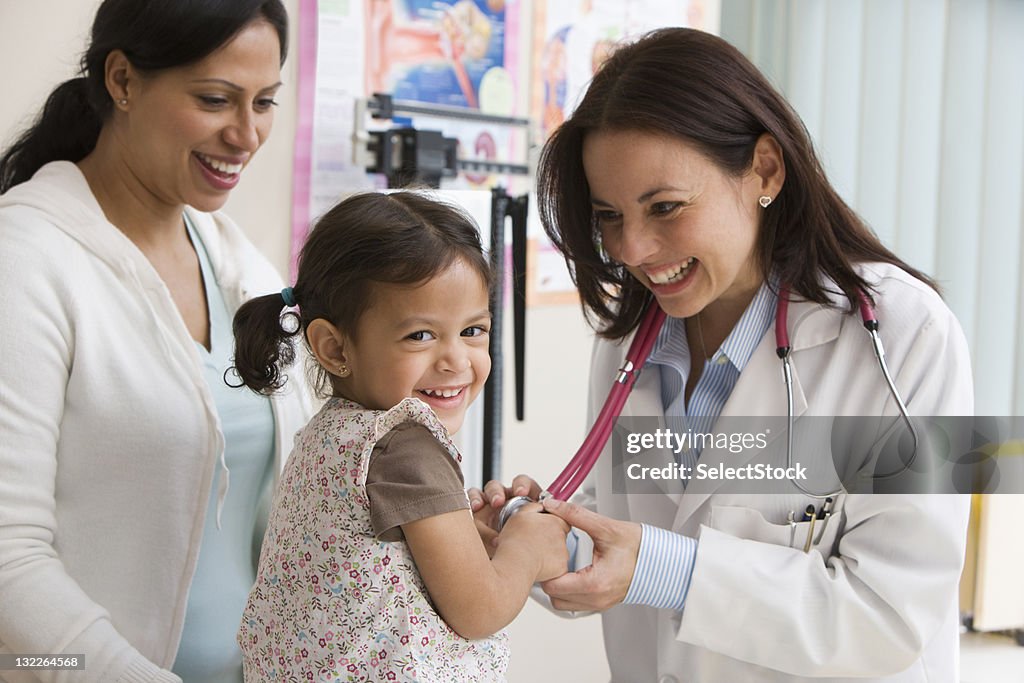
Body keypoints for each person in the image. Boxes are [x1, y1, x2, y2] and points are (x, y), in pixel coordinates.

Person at [471, 28, 973, 682]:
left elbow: (890, 612)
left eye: (666, 207)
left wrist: (662, 566)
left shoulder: (903, 337)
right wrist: (541, 541)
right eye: (611, 216)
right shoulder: (633, 344)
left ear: (765, 169)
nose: (632, 249)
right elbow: (631, 534)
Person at [0, 2, 312, 682]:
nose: (247, 134)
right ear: (122, 81)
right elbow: (7, 559)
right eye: (214, 100)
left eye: (264, 102)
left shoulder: (240, 265)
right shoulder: (23, 261)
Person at [231, 191, 569, 682]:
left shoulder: (330, 431)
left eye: (474, 330)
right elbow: (479, 609)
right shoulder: (405, 445)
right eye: (420, 336)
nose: (456, 360)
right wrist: (527, 547)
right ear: (333, 347)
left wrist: (471, 537)